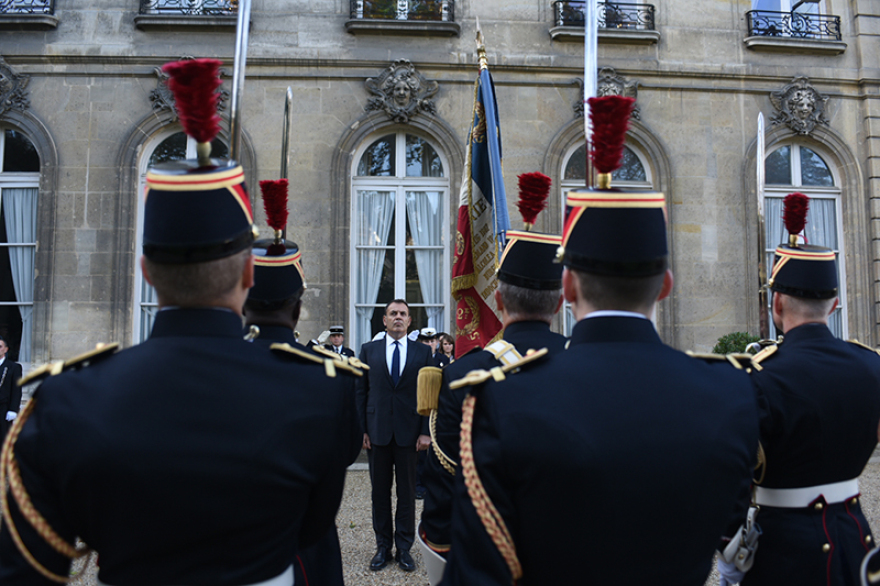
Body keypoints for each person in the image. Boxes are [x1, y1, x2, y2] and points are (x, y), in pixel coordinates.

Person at [0, 58, 360, 586]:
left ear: (146, 271)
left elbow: (26, 572)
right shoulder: (318, 395)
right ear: (246, 275)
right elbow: (307, 531)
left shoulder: (67, 400)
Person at [439, 101, 758, 583]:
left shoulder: (503, 399)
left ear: (566, 289)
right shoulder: (729, 395)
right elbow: (734, 544)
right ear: (666, 285)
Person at [735, 193, 880, 586]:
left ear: (777, 304)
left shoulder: (757, 376)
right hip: (855, 539)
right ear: (834, 305)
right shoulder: (873, 365)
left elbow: (732, 474)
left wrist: (729, 547)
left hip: (782, 548)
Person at [419, 227, 567, 584]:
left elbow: (446, 481)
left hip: (486, 558)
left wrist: (441, 547)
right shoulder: (584, 364)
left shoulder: (461, 375)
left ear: (498, 300)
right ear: (561, 302)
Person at [243, 182, 361, 586]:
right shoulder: (331, 376)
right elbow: (343, 455)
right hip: (306, 544)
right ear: (297, 307)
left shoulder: (219, 363)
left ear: (244, 301)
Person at [355, 300, 434, 573]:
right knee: (379, 493)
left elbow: (429, 395)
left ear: (410, 321)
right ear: (384, 320)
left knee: (407, 492)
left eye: (403, 314)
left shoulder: (423, 353)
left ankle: (403, 548)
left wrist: (425, 432)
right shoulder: (368, 351)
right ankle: (382, 546)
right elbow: (360, 393)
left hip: (410, 433)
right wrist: (361, 429)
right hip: (376, 432)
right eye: (393, 314)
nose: (398, 318)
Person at [0, 335, 22, 439]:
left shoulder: (13, 367)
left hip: (4, 407)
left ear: (6, 349)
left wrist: (13, 409)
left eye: (0, 346)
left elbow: (17, 390)